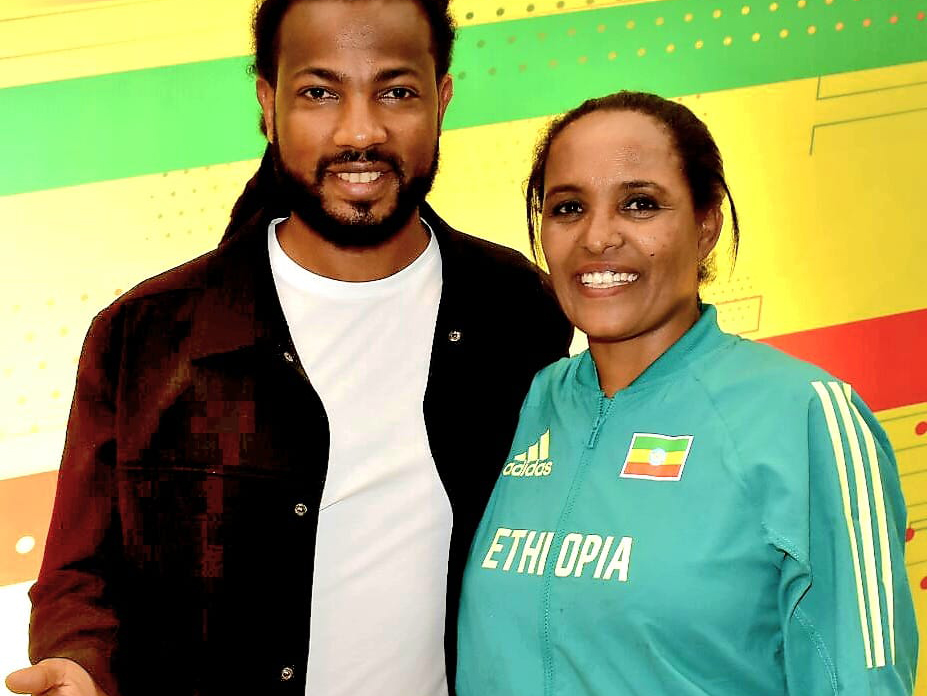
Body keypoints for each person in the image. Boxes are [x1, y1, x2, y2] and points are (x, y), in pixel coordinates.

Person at [4, 1, 572, 695]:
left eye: (396, 91)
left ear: (442, 98)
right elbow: (79, 576)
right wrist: (79, 663)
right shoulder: (144, 336)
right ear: (267, 105)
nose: (360, 130)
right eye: (319, 93)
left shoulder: (520, 311)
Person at [456, 91, 917, 695]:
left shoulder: (804, 414)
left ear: (705, 226)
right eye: (569, 208)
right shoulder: (529, 401)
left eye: (639, 204)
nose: (598, 237)